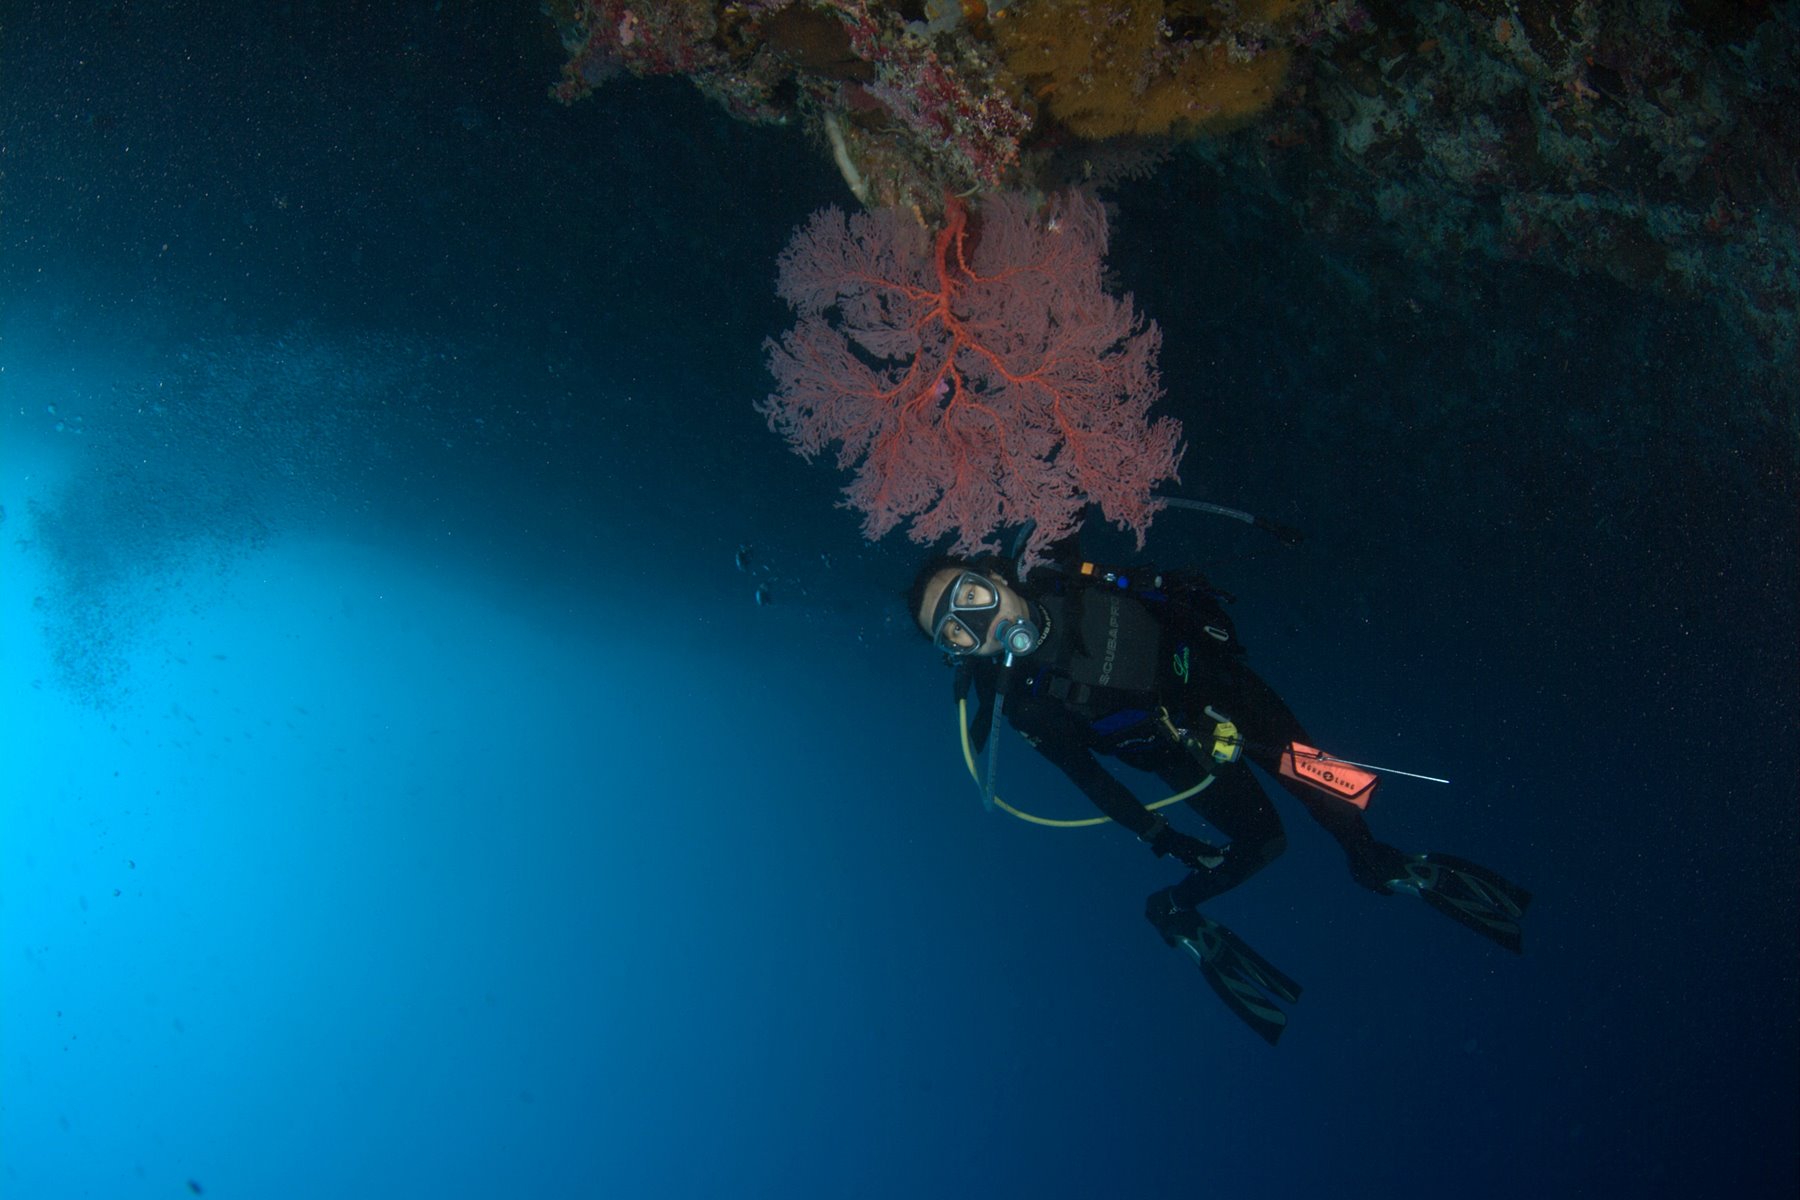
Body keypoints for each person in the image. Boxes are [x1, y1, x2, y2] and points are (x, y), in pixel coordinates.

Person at [909, 551, 1532, 1045]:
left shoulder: (1066, 575)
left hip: (1223, 687)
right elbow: (1091, 779)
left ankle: (1375, 860)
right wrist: (1163, 838)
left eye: (971, 597)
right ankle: (1174, 909)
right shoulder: (1027, 708)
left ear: (995, 576)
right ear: (958, 656)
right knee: (1266, 843)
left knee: (1321, 773)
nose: (979, 624)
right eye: (956, 633)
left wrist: (1187, 599)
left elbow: (1162, 598)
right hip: (1184, 757)